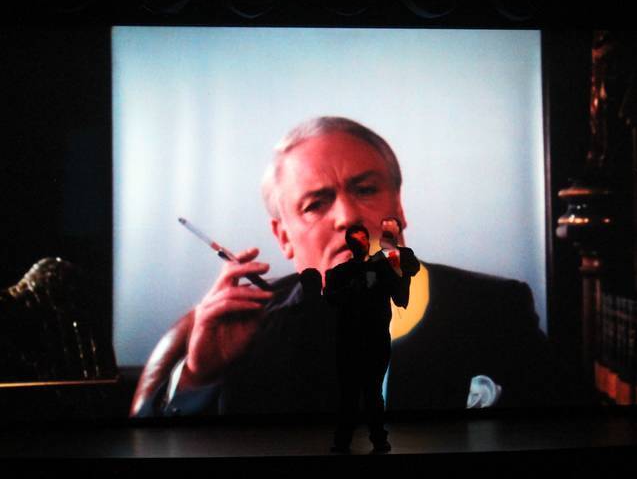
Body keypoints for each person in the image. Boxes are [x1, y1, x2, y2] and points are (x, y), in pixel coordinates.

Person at [130, 116, 577, 419]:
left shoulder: (494, 308)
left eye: (365, 190)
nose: (347, 217)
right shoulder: (250, 330)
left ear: (398, 207)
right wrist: (199, 377)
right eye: (315, 204)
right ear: (283, 237)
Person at [325, 224, 418, 453]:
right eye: (356, 241)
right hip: (358, 340)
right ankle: (370, 440)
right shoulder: (345, 273)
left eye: (361, 240)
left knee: (363, 393)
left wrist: (397, 266)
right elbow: (330, 299)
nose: (360, 244)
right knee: (362, 393)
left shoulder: (371, 269)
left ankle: (356, 440)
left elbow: (402, 290)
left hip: (365, 340)